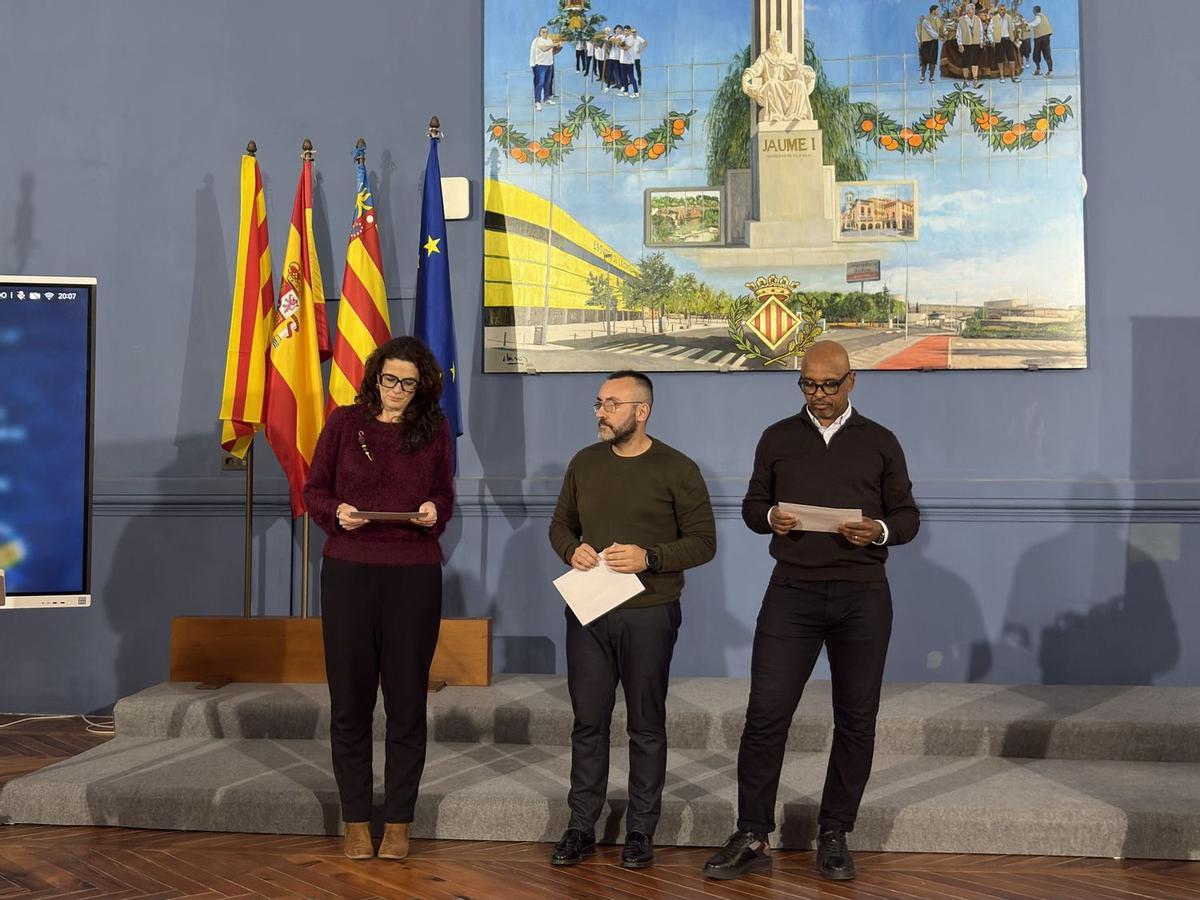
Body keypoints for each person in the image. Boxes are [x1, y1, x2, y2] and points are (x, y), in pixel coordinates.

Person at [702, 341, 919, 883]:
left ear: (852, 381)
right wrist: (770, 515)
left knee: (856, 718)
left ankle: (834, 833)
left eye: (828, 384)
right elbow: (753, 506)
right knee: (765, 715)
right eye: (807, 384)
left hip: (862, 594)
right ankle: (752, 832)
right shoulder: (777, 437)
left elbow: (907, 516)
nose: (818, 395)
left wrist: (880, 531)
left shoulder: (880, 441)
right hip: (792, 592)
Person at [548, 370, 716, 871]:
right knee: (588, 722)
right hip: (588, 610)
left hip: (650, 613)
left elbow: (704, 543)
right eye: (598, 403)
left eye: (611, 404)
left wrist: (652, 557)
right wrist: (570, 549)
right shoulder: (584, 462)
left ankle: (641, 830)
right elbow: (560, 525)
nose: (600, 412)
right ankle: (581, 825)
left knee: (646, 725)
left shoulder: (678, 469)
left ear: (641, 411)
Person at [304, 336, 455, 862]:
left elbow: (445, 494)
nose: (396, 390)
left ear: (422, 388)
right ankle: (355, 820)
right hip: (348, 571)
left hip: (413, 575)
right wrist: (336, 513)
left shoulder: (433, 430)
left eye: (408, 383)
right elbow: (315, 490)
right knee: (350, 703)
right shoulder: (344, 424)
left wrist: (435, 509)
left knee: (407, 704)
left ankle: (398, 822)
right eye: (389, 380)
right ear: (374, 378)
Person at [956, 3, 985, 88]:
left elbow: (981, 31)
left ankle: (975, 79)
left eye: (974, 9)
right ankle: (966, 79)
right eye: (972, 9)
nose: (974, 11)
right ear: (968, 11)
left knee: (975, 62)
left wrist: (981, 41)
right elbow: (959, 33)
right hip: (966, 44)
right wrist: (960, 44)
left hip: (975, 43)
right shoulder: (961, 20)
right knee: (965, 62)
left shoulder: (977, 19)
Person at [529, 26, 557, 111]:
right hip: (540, 64)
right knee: (540, 83)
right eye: (543, 32)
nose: (545, 33)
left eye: (546, 32)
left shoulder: (549, 40)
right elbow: (544, 49)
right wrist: (553, 45)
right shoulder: (538, 40)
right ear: (540, 33)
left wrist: (558, 47)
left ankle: (546, 99)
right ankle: (537, 101)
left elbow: (552, 51)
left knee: (547, 83)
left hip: (549, 64)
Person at [990, 5, 1019, 82]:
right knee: (1000, 59)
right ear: (998, 10)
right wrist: (992, 40)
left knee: (1012, 58)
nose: (1003, 11)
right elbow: (990, 30)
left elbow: (1012, 28)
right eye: (1001, 10)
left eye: (1004, 10)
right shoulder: (994, 18)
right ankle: (1002, 76)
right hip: (999, 40)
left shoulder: (1009, 17)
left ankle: (1013, 76)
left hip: (1008, 40)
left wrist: (1013, 38)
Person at [917, 5, 941, 83]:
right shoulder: (926, 20)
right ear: (933, 11)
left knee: (933, 60)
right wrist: (938, 36)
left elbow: (940, 28)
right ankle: (922, 76)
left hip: (934, 42)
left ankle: (931, 77)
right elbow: (930, 31)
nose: (938, 11)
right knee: (924, 60)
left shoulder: (938, 19)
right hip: (927, 42)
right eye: (937, 10)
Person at [1030, 4, 1053, 77]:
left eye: (1033, 10)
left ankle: (1041, 70)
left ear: (1035, 11)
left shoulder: (1038, 16)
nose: (1033, 11)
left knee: (1037, 54)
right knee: (1046, 54)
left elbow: (1034, 23)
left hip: (1040, 38)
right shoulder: (1043, 16)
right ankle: (1048, 71)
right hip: (1045, 37)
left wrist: (1026, 24)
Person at [630, 26, 648, 93]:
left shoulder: (638, 38)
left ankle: (640, 82)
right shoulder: (629, 38)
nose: (633, 33)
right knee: (630, 70)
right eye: (632, 32)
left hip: (637, 57)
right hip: (630, 57)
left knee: (638, 70)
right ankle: (631, 81)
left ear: (636, 32)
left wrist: (641, 50)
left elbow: (646, 43)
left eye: (634, 32)